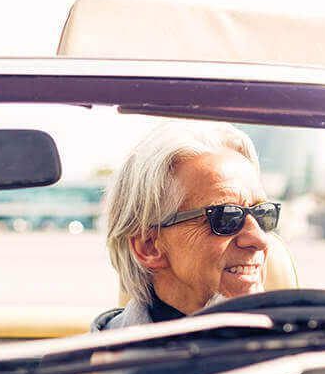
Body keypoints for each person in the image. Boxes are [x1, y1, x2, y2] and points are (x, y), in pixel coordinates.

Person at [93, 119, 279, 330]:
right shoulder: (99, 361)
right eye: (225, 217)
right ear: (149, 247)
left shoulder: (304, 354)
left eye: (264, 214)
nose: (259, 239)